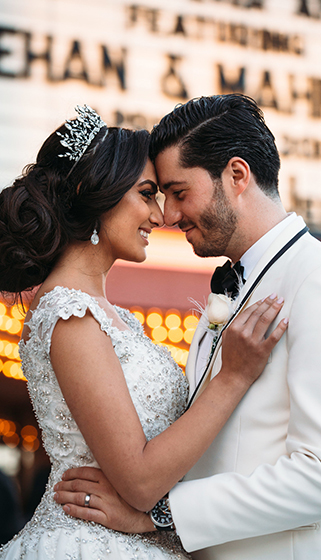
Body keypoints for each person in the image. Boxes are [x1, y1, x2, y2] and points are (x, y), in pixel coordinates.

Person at [54, 95, 321, 560]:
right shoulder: (219, 300)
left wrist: (161, 512)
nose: (170, 216)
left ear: (237, 176)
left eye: (180, 193)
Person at [0, 104, 288, 560]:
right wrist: (231, 378)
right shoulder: (69, 313)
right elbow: (139, 479)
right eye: (147, 193)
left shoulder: (108, 313)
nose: (161, 215)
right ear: (95, 194)